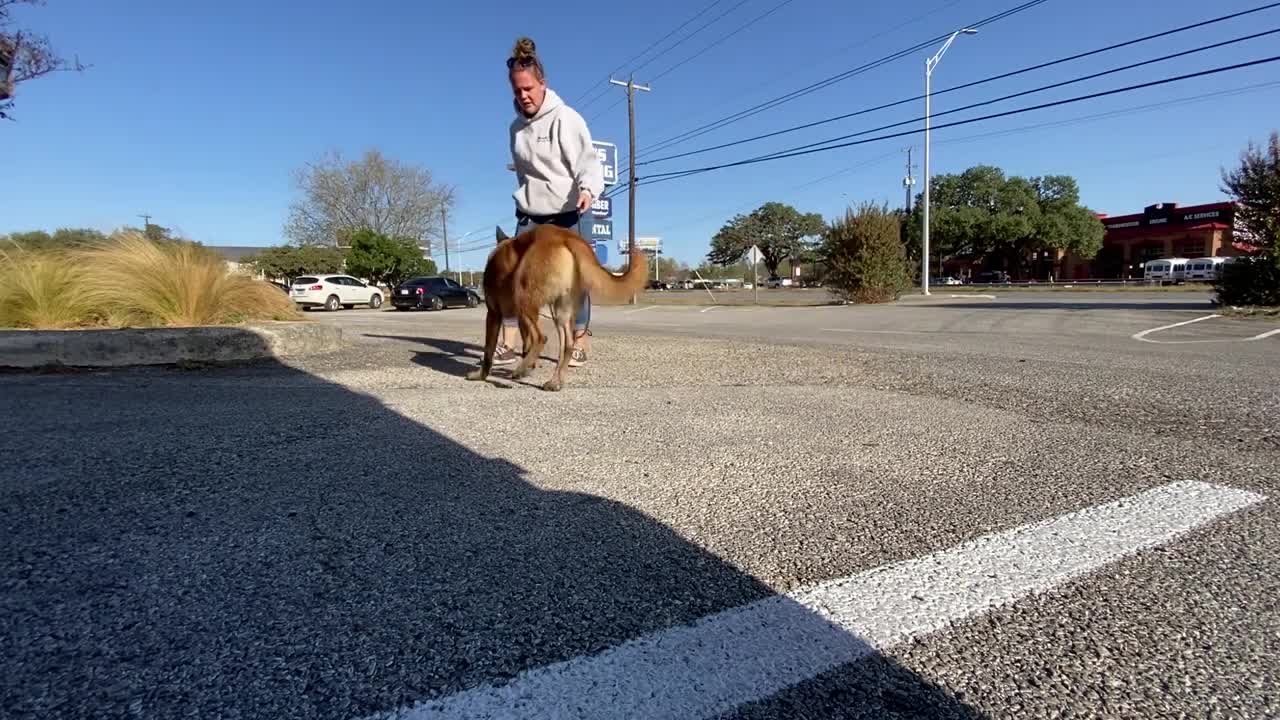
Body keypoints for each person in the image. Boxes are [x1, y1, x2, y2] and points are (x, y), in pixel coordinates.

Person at [491, 36, 604, 368]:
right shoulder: (515, 129)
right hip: (531, 214)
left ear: (542, 84)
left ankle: (579, 340)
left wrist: (587, 189)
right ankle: (511, 342)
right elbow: (526, 173)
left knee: (573, 283)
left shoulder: (565, 118)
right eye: (517, 91)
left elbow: (587, 161)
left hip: (571, 212)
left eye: (528, 88)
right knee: (513, 276)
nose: (523, 96)